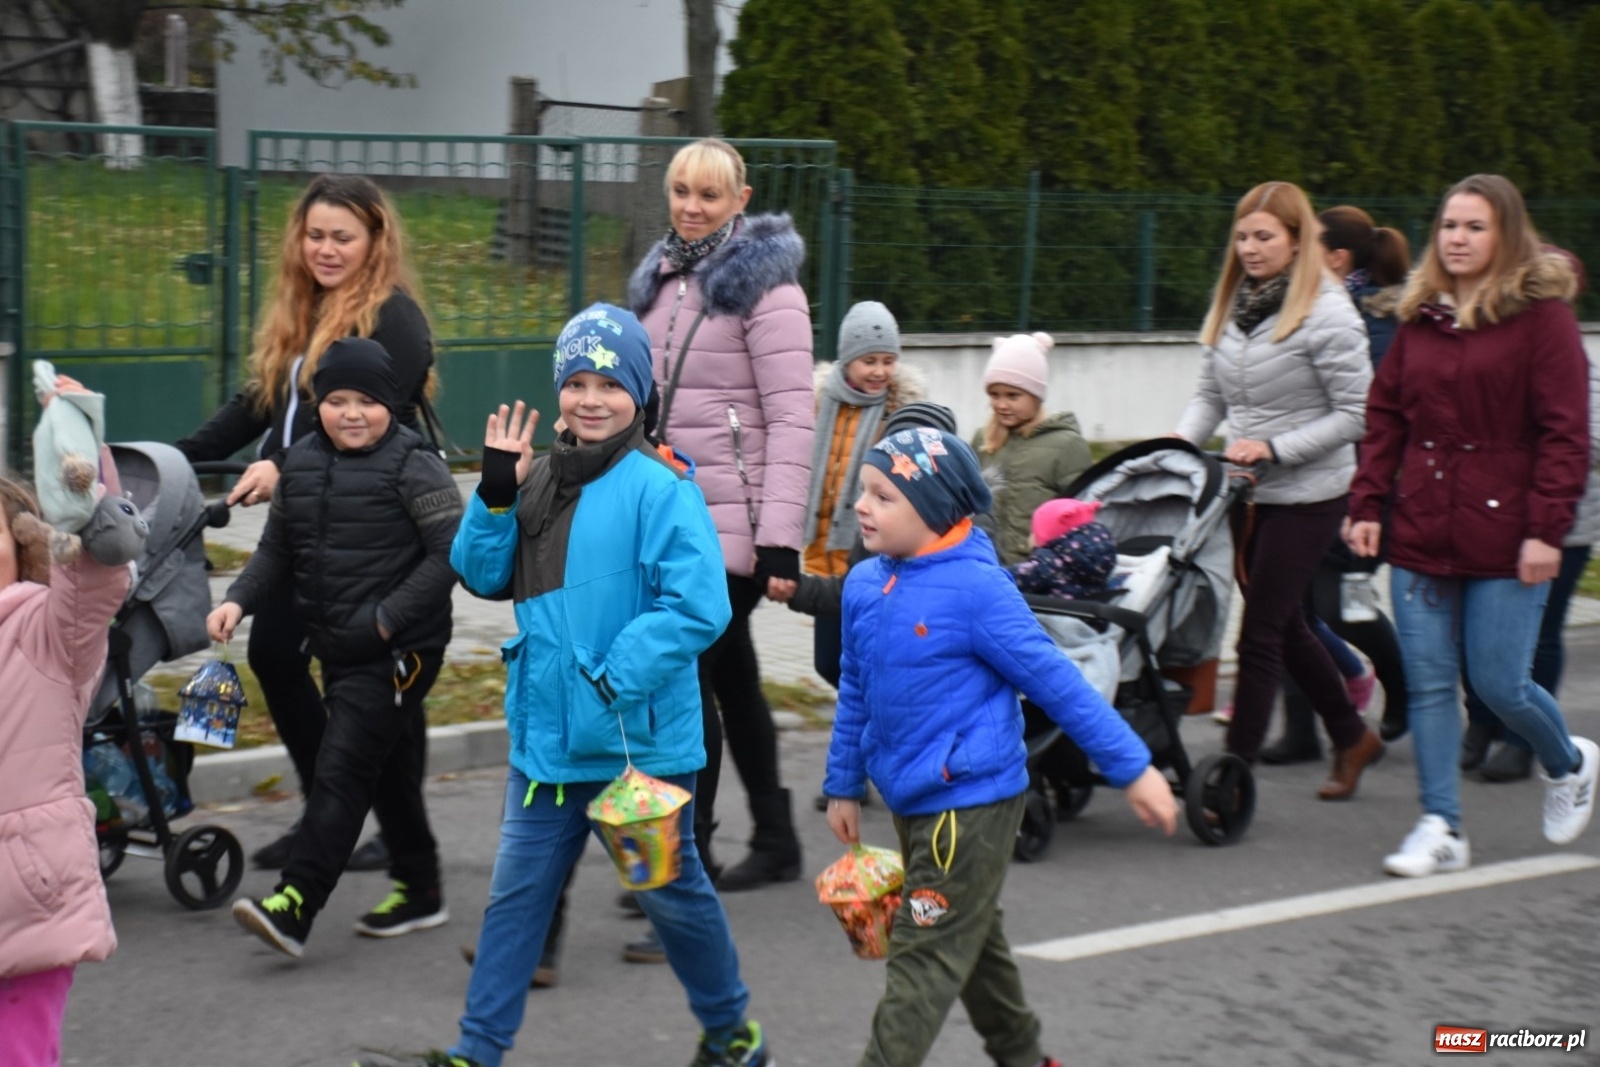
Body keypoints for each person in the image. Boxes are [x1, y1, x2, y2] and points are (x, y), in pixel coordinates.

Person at [392, 304, 765, 1067]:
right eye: (576, 381)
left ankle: (732, 1034)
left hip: (639, 748)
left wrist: (611, 675)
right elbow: (483, 573)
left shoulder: (661, 488)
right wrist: (496, 491)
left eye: (609, 382)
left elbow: (700, 605)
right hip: (548, 744)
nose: (590, 398)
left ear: (639, 391)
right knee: (515, 899)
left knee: (673, 897)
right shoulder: (539, 480)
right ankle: (477, 1050)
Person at [823, 425, 1177, 1067]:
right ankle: (1026, 1057)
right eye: (864, 492)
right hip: (909, 797)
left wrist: (1135, 768)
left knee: (923, 955)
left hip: (971, 804)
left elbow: (1063, 685)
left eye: (883, 495)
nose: (862, 507)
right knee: (973, 938)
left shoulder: (979, 593)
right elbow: (855, 685)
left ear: (933, 511)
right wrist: (843, 780)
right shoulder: (865, 583)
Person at [177, 173, 437, 873]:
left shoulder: (394, 318)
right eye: (315, 234)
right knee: (283, 659)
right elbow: (256, 402)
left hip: (379, 527)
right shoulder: (307, 306)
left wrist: (285, 466)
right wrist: (171, 458)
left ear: (375, 240)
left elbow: (370, 425)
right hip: (313, 520)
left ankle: (381, 834)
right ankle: (338, 814)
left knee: (382, 685)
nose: (325, 248)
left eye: (342, 237)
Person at [1346, 174, 1600, 876]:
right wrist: (1368, 503)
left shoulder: (1543, 319)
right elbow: (1387, 415)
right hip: (1424, 525)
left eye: (1475, 226)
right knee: (1429, 684)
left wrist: (1547, 528)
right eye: (1449, 225)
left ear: (1507, 236)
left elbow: (1564, 434)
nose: (1457, 238)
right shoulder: (1419, 314)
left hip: (1509, 534)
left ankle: (1570, 760)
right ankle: (1441, 825)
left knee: (1497, 684)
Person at [213, 337, 461, 957]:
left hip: (402, 648)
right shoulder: (299, 463)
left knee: (344, 764)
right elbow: (276, 550)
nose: (353, 413)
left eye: (368, 401)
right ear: (318, 405)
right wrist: (237, 600)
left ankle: (295, 903)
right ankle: (422, 888)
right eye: (338, 400)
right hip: (338, 642)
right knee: (388, 766)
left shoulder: (415, 464)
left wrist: (385, 621)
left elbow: (449, 555)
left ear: (394, 404)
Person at [628, 137, 814, 896]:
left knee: (687, 679)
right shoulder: (661, 281)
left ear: (741, 200)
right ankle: (774, 835)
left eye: (709, 194)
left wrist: (778, 542)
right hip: (666, 515)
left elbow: (793, 418)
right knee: (730, 674)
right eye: (681, 191)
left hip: (730, 526)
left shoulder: (769, 291)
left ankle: (683, 857)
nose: (692, 206)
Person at [1172, 180, 1384, 799]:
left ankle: (1232, 777)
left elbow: (1358, 412)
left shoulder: (1329, 312)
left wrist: (1273, 449)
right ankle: (1352, 736)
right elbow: (1209, 396)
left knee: (1260, 633)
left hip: (1311, 493)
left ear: (1297, 241)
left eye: (1265, 236)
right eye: (1242, 236)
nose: (1250, 248)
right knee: (1287, 624)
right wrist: (1180, 444)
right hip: (1249, 493)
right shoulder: (1235, 303)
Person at [0, 379, 144, 1067]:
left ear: (23, 543)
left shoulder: (44, 629)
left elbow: (96, 570)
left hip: (24, 897)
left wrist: (79, 451)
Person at [1256, 206, 1416, 761]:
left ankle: (1402, 688)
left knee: (1339, 605)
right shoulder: (1305, 308)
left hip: (1363, 487)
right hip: (1303, 479)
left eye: (1307, 246)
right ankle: (1302, 731)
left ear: (1337, 257)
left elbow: (1376, 417)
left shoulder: (1376, 327)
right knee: (1291, 609)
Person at [802, 299, 925, 688]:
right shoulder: (820, 403)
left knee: (863, 663)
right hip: (823, 558)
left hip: (871, 560)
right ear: (846, 358)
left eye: (888, 360)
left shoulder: (901, 413)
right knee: (830, 663)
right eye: (869, 360)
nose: (879, 371)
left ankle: (879, 731)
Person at [971, 331, 1092, 567]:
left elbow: (1082, 520)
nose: (1001, 404)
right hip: (986, 567)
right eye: (994, 395)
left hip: (1041, 573)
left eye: (1013, 396)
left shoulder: (1067, 446)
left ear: (1036, 396)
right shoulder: (982, 440)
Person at [1009, 498, 1123, 602]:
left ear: (1046, 537)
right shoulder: (1099, 565)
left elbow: (1002, 582)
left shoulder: (1047, 564)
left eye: (1033, 531)